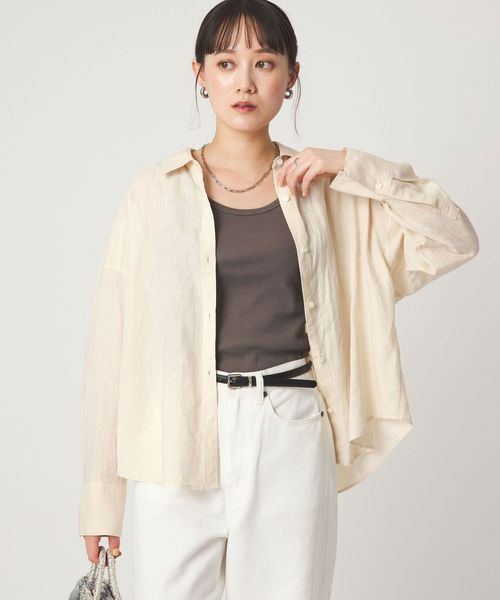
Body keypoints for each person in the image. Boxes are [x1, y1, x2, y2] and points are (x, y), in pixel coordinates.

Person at [78, 1, 480, 599]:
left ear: (292, 75)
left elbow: (455, 238)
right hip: (173, 439)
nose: (244, 81)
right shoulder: (153, 194)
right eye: (226, 63)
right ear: (200, 74)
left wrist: (351, 165)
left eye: (264, 62)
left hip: (289, 429)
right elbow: (111, 347)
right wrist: (100, 500)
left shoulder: (325, 190)